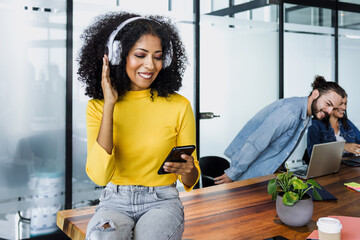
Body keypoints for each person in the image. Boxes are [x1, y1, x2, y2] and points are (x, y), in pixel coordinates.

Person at [77, 12, 200, 240]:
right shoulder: (98, 107)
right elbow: (100, 177)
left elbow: (191, 179)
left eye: (158, 57)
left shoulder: (179, 106)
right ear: (117, 56)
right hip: (114, 202)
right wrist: (110, 104)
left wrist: (190, 170)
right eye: (140, 55)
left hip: (161, 201)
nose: (150, 65)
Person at [214, 76, 346, 184]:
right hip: (249, 177)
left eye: (333, 108)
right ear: (315, 94)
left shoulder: (305, 115)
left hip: (265, 176)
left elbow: (279, 146)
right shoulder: (290, 111)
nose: (329, 111)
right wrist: (233, 173)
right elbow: (255, 143)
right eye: (328, 104)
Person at [307, 93, 360, 157]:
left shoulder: (347, 123)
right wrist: (342, 147)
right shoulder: (315, 124)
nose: (344, 108)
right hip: (327, 165)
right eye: (340, 104)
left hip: (348, 164)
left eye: (345, 103)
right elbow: (312, 153)